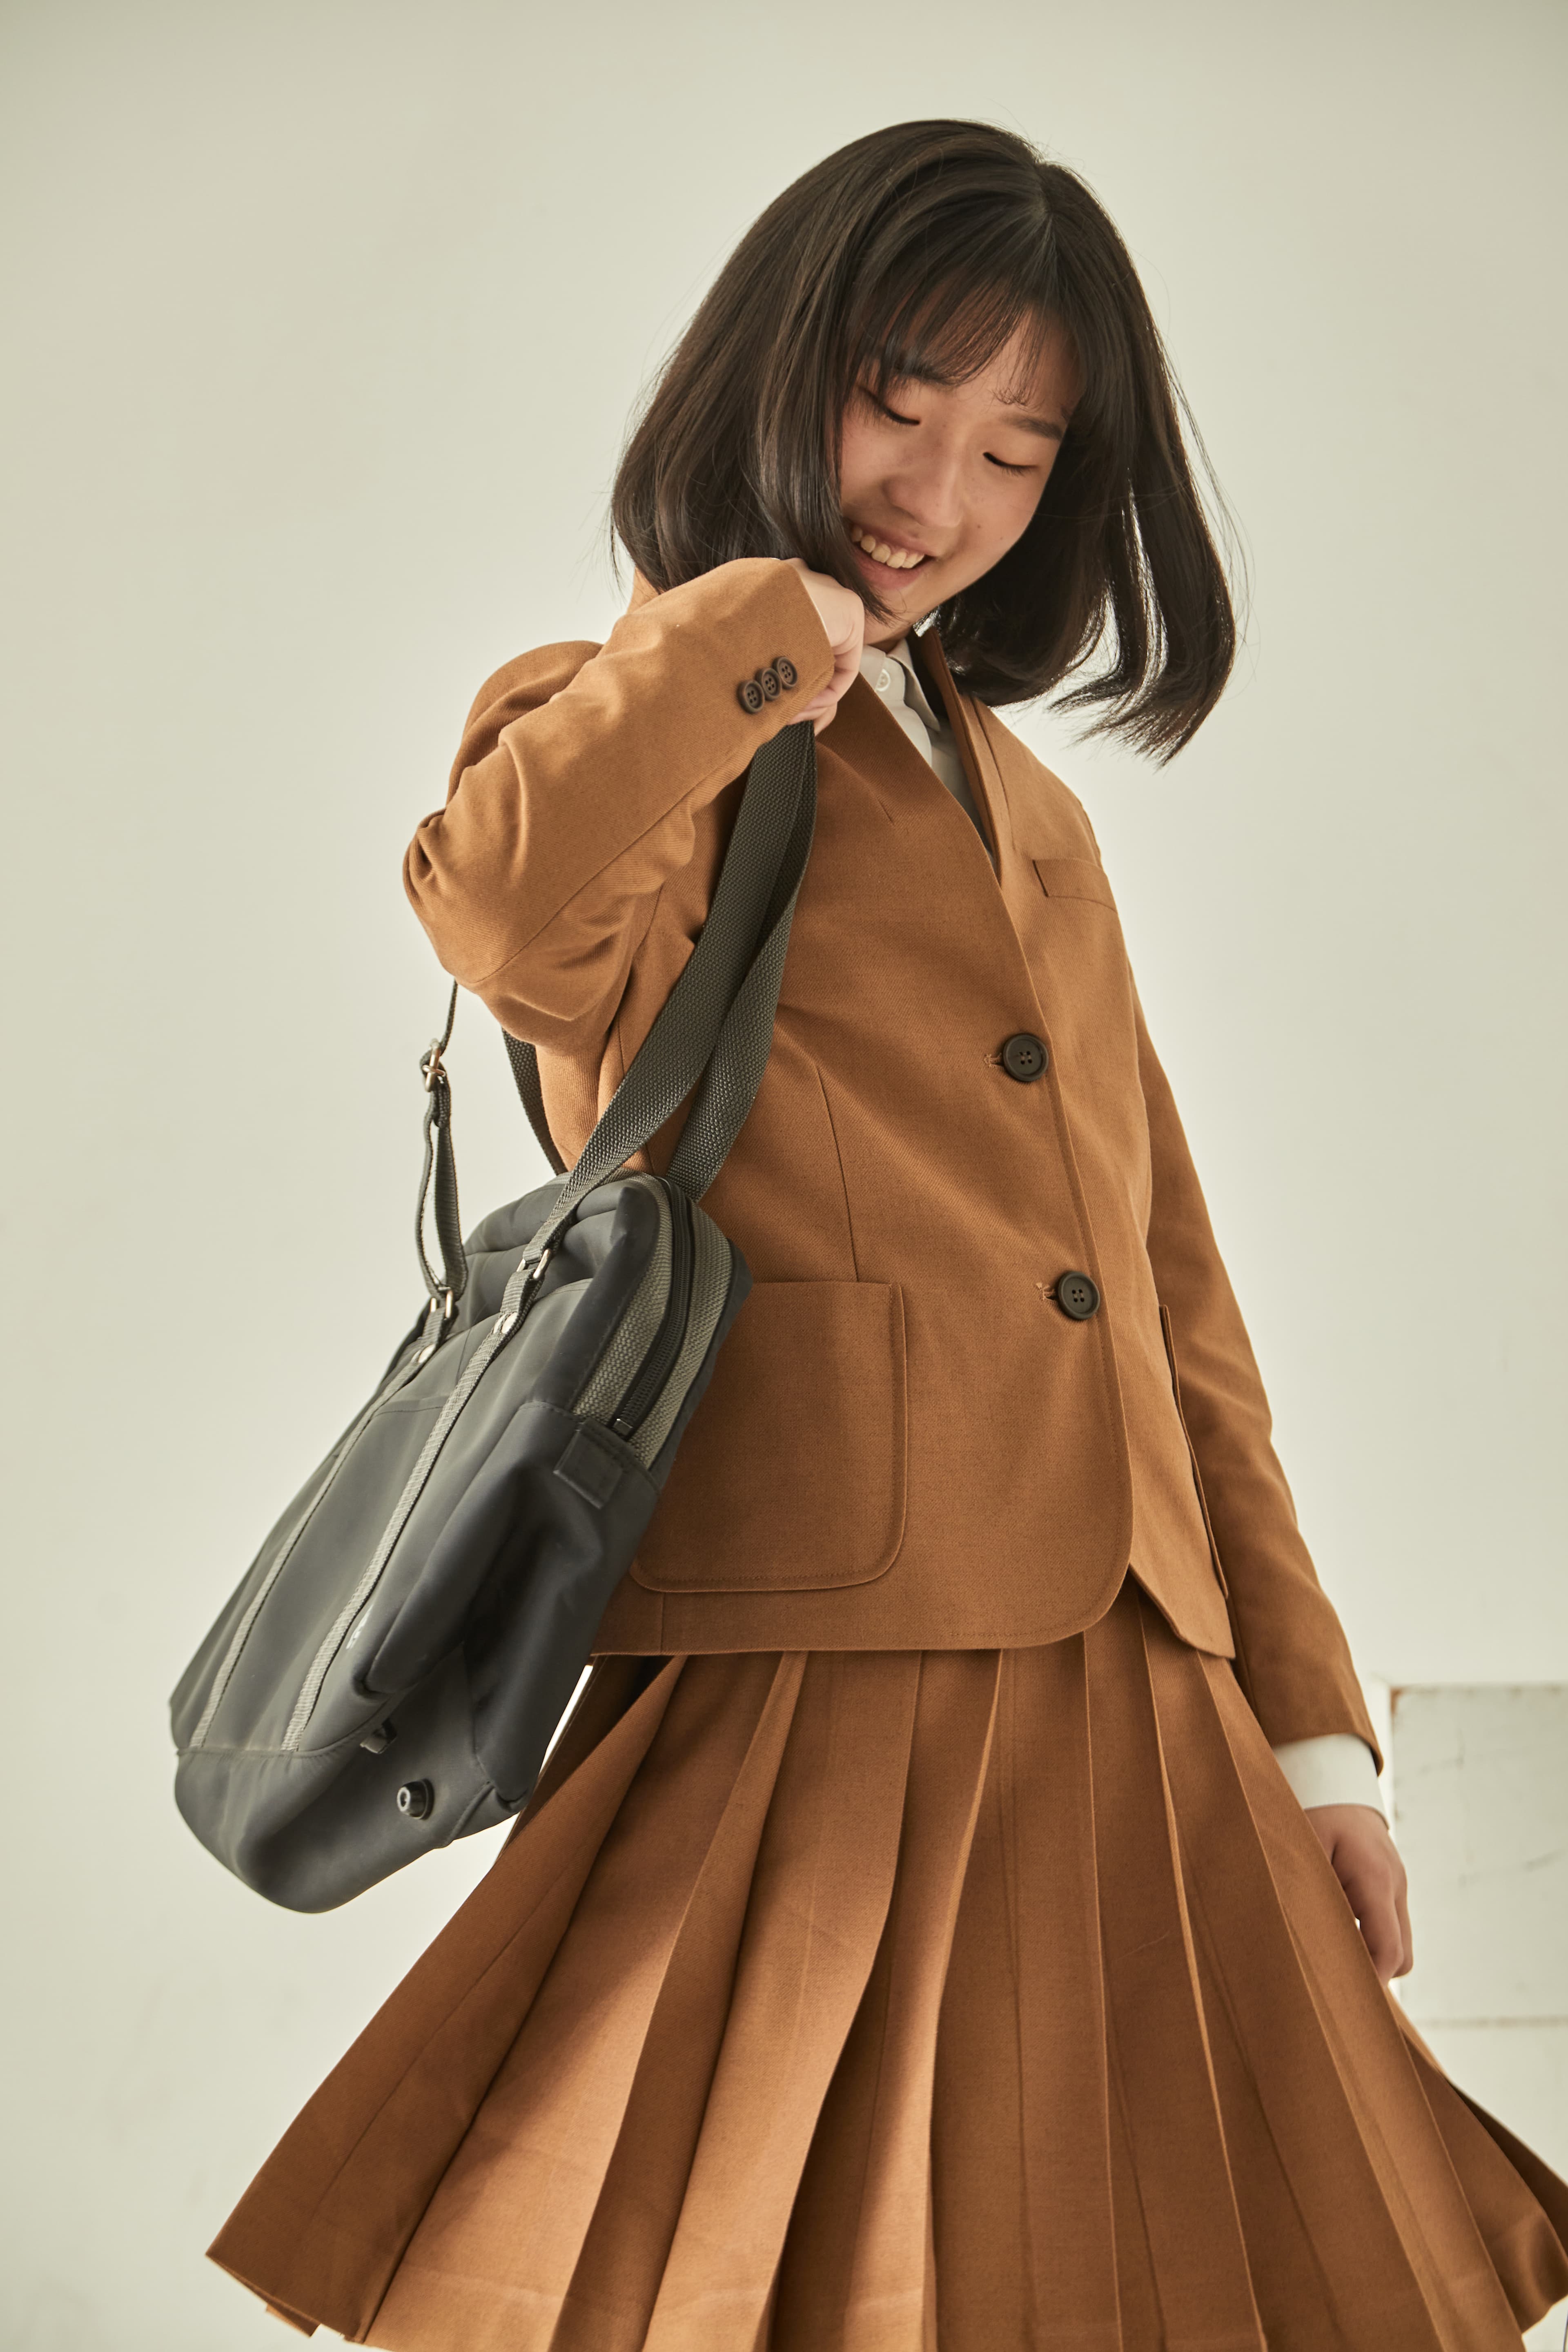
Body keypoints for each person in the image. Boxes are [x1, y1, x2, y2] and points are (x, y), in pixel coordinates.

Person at [208, 119, 1568, 2350]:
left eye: (1023, 450)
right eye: (899, 398)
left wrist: (1313, 1743)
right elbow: (504, 908)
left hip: (1141, 1693)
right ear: (777, 366)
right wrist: (766, 624)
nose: (940, 489)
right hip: (815, 1674)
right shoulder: (638, 718)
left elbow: (1170, 1304)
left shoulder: (1027, 806)